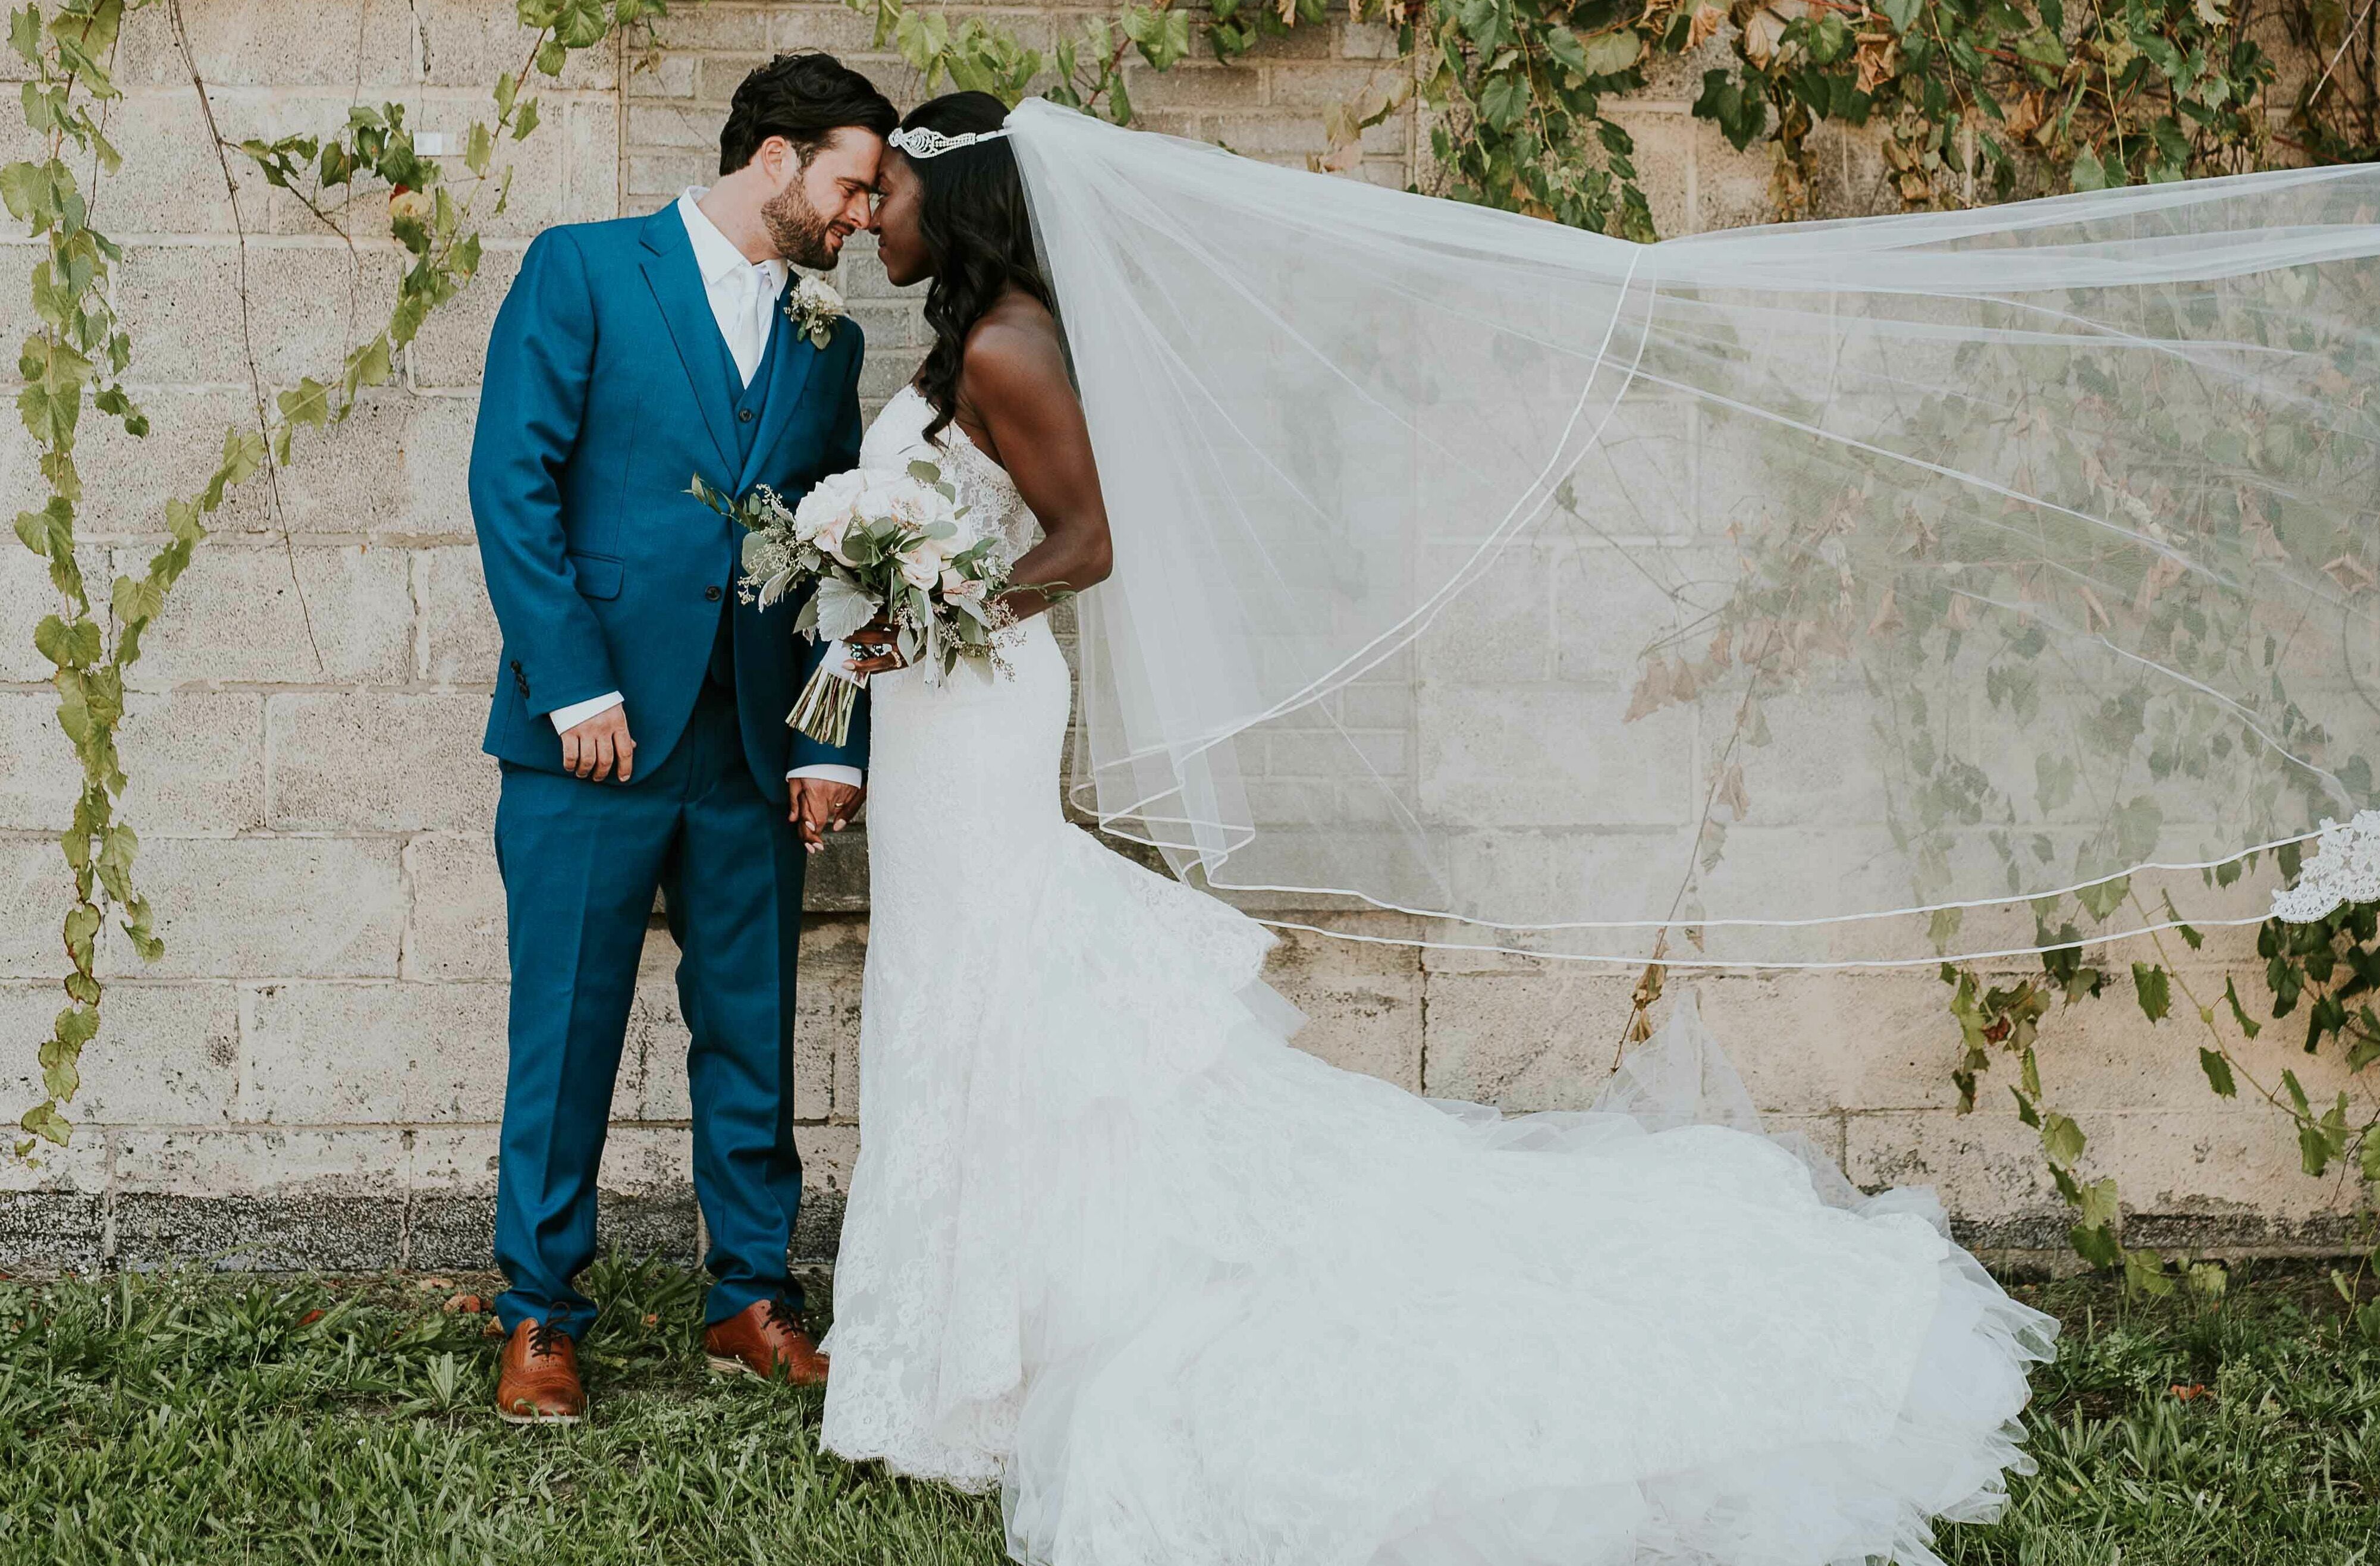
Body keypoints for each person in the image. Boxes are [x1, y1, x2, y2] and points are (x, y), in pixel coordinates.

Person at [816, 90, 2058, 1566]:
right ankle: (958, 1352)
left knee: (991, 985)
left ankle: (989, 1361)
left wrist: (947, 608)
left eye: (885, 192)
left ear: (952, 201)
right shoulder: (967, 343)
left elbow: (1088, 538)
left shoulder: (1010, 347)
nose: (866, 217)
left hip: (976, 702)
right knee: (958, 993)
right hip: (937, 709)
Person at [466, 52, 891, 1425]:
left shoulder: (832, 343)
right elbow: (511, 481)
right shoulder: (584, 270)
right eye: (851, 182)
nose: (862, 216)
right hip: (591, 744)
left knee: (752, 1033)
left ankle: (751, 1300)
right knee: (568, 1036)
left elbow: (849, 547)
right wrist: (575, 684)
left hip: (752, 753)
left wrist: (832, 737)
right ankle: (539, 1316)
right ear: (776, 158)